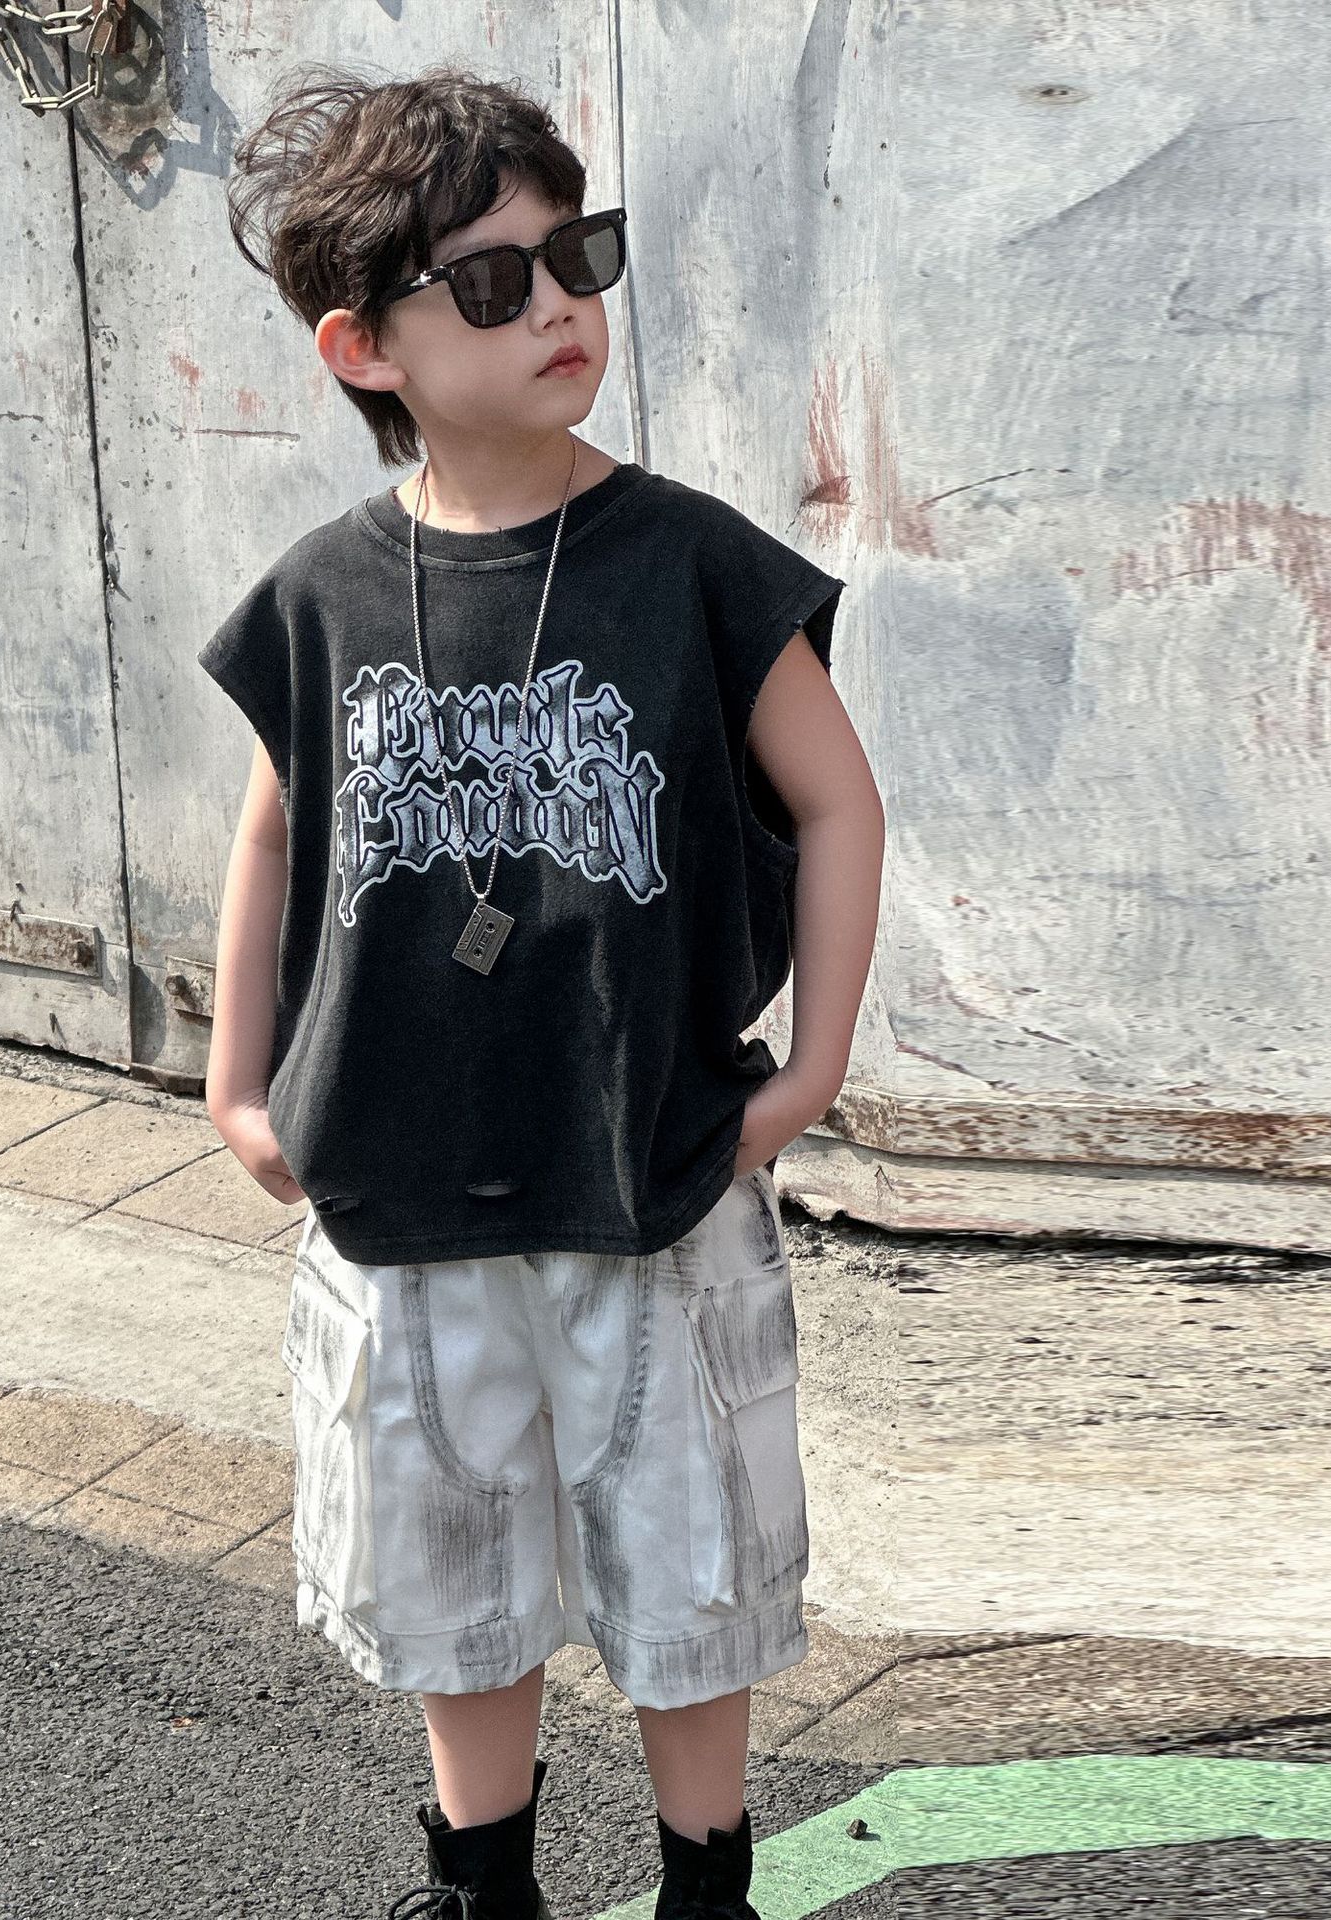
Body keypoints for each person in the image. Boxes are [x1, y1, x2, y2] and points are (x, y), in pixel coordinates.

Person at [200, 61, 885, 1920]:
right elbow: (275, 835)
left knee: (690, 1555)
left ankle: (705, 1885)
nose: (559, 304)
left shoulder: (694, 563)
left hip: (649, 1161)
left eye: (576, 255)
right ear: (366, 348)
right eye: (491, 281)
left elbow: (838, 801)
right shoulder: (324, 594)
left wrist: (809, 1070)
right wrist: (237, 1082)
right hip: (398, 1175)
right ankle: (478, 1881)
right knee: (447, 1558)